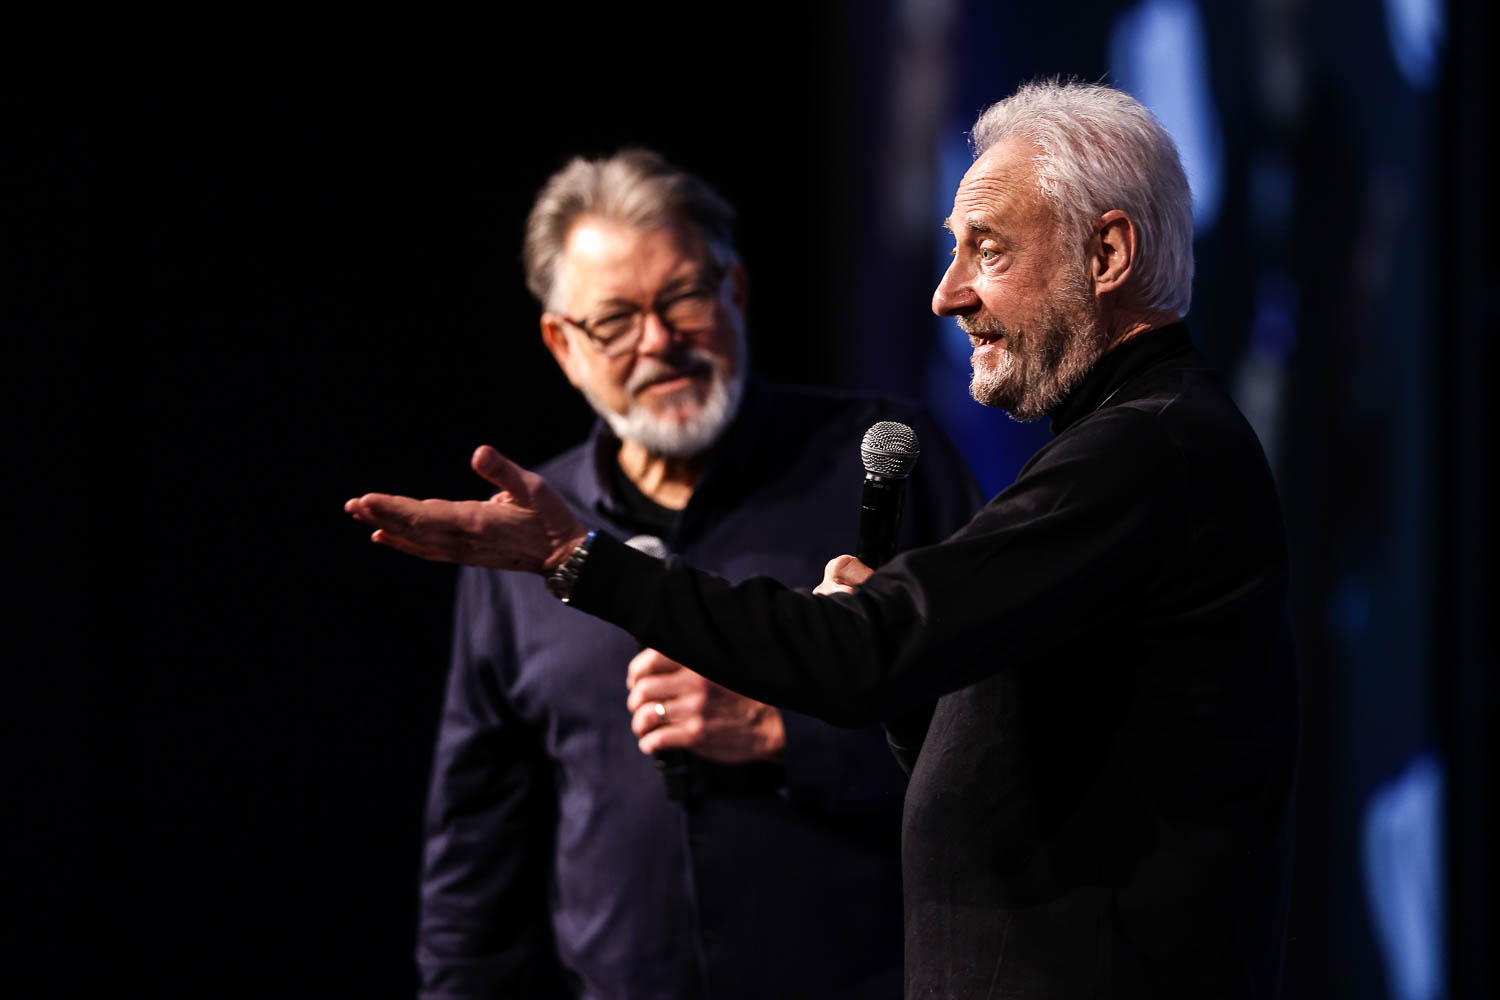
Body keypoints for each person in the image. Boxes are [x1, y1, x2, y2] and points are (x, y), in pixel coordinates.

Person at [349, 82, 1299, 998]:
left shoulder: (1145, 453)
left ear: (1108, 252)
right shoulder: (1127, 447)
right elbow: (988, 741)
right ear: (562, 343)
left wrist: (580, 561)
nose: (947, 294)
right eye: (615, 320)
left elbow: (873, 656)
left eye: (988, 249)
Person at [403, 149, 981, 999]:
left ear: (735, 291)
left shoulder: (882, 468)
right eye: (615, 320)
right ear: (563, 345)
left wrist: (785, 733)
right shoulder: (524, 536)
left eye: (682, 297)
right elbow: (477, 844)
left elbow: (1003, 737)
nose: (659, 341)